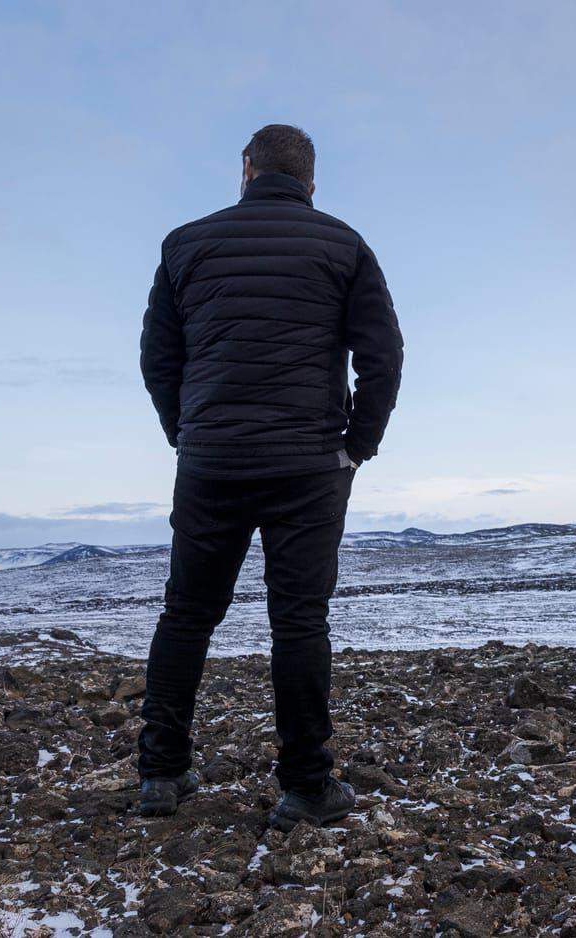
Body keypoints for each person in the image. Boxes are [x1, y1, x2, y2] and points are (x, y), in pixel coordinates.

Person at [137, 124, 404, 826]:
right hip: (307, 465)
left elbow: (158, 360)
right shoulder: (343, 245)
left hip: (212, 461)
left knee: (187, 615)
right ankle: (305, 787)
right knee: (298, 621)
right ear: (311, 182)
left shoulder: (184, 244)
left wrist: (187, 434)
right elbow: (383, 356)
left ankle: (161, 774)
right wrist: (357, 446)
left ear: (246, 170)